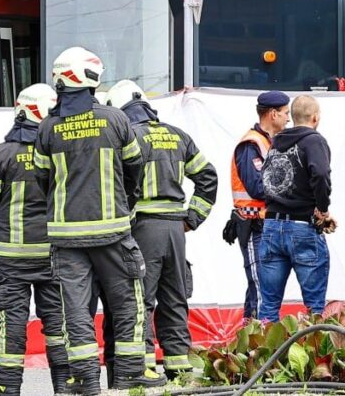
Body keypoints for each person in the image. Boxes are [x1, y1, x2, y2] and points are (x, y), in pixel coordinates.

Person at [33, 47, 164, 395]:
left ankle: (87, 381)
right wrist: (125, 202)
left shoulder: (47, 128)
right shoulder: (116, 120)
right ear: (92, 79)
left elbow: (41, 180)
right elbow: (135, 168)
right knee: (127, 304)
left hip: (65, 239)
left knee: (76, 313)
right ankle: (129, 375)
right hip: (113, 234)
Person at [107, 80, 218, 380]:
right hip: (175, 231)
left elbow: (118, 188)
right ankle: (179, 368)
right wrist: (191, 218)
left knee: (140, 297)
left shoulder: (127, 138)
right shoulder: (177, 136)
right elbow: (208, 177)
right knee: (174, 297)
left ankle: (144, 368)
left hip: (142, 229)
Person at [0, 84, 68, 396]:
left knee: (12, 321)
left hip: (13, 257)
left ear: (22, 110)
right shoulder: (58, 153)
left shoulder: (3, 154)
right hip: (53, 254)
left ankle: (7, 385)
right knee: (57, 323)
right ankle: (65, 386)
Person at [258, 95, 335, 322]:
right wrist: (323, 209)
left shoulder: (276, 142)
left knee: (269, 305)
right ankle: (311, 353)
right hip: (302, 227)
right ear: (315, 117)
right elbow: (320, 174)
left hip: (271, 226)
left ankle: (264, 354)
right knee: (314, 307)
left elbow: (266, 178)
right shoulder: (314, 141)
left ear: (291, 117)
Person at [226, 91, 290, 319]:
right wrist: (289, 188)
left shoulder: (268, 142)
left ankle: (250, 339)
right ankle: (264, 343)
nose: (288, 119)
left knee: (260, 283)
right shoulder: (251, 144)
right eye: (285, 114)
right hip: (254, 225)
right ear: (273, 114)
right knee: (262, 286)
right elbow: (257, 188)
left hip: (266, 224)